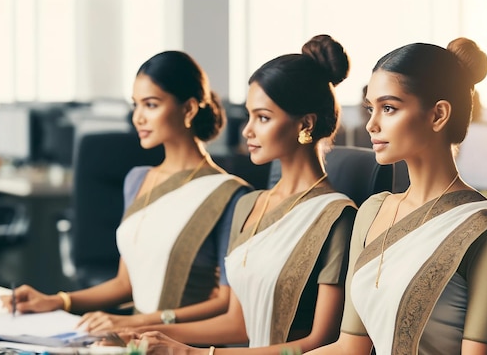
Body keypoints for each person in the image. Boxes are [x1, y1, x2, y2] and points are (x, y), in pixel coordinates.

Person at [118, 34, 357, 354]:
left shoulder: (336, 216)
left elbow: (320, 342)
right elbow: (237, 323)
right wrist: (140, 329)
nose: (247, 130)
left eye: (263, 117)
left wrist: (196, 353)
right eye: (249, 115)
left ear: (306, 124)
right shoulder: (248, 205)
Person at [0, 50, 252, 332]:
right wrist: (57, 300)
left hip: (180, 343)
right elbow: (125, 284)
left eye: (151, 105)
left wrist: (138, 322)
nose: (138, 118)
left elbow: (225, 302)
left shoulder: (231, 195)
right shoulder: (137, 179)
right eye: (136, 105)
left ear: (189, 109)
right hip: (131, 340)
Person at [306, 37, 487, 355]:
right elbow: (348, 348)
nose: (371, 124)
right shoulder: (372, 211)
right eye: (371, 109)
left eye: (388, 108)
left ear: (438, 115)